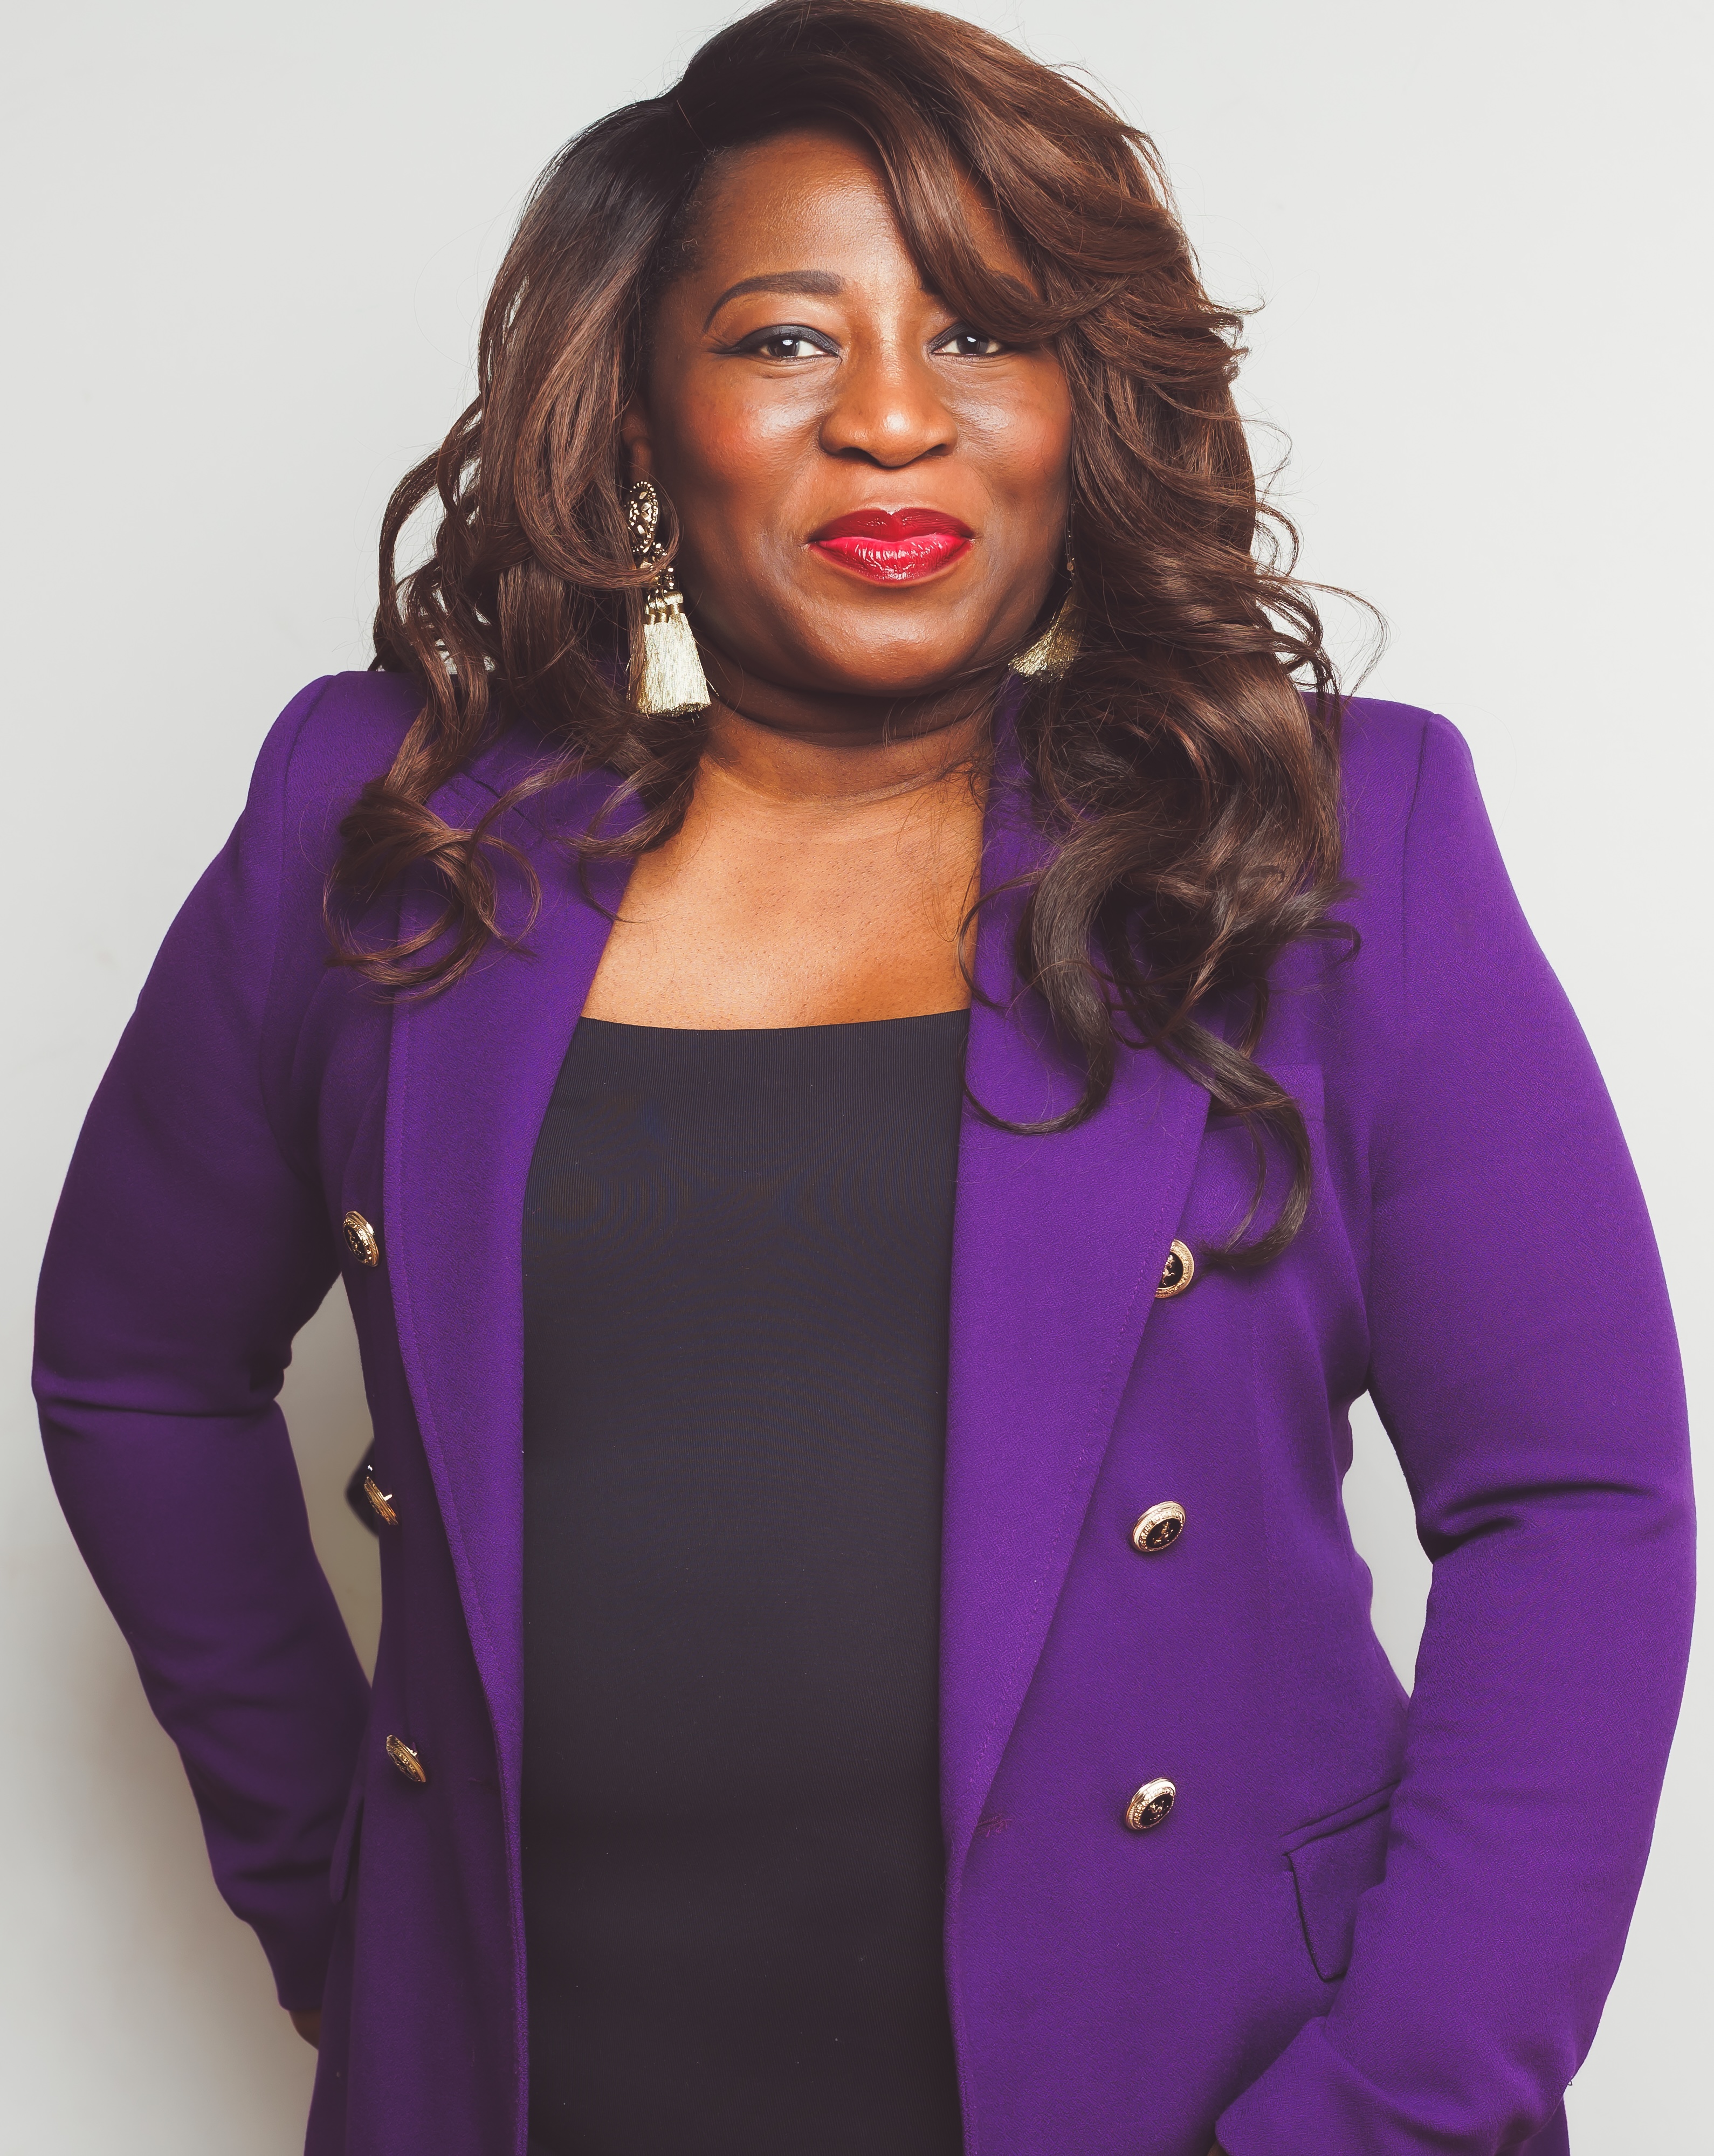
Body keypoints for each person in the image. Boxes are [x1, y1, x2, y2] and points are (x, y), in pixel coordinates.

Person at [33, 4, 1693, 2153]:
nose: (893, 419)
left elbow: (1572, 1505)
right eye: (787, 340)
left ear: (1083, 407)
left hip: (1172, 2083)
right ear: (643, 409)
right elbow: (136, 1363)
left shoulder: (1330, 838)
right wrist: (343, 1893)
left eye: (984, 333)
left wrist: (1395, 2105)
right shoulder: (392, 816)